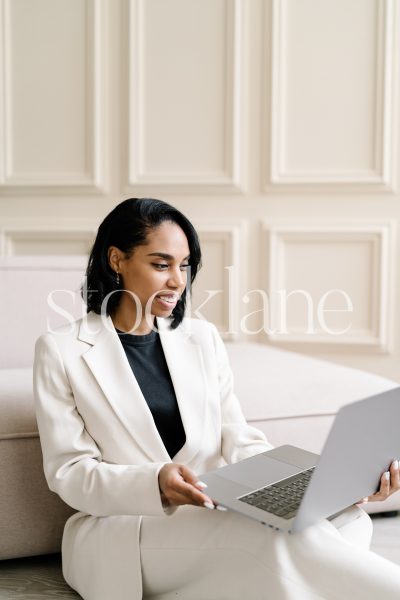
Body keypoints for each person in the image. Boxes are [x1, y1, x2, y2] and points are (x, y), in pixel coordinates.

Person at [33, 198, 400, 600]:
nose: (178, 280)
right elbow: (69, 472)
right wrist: (155, 483)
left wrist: (330, 481)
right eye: (161, 265)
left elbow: (238, 437)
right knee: (281, 542)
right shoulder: (61, 349)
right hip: (127, 527)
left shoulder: (200, 338)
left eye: (184, 265)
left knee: (347, 518)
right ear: (116, 259)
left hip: (213, 511)